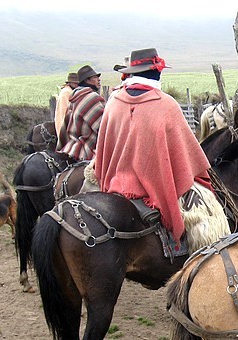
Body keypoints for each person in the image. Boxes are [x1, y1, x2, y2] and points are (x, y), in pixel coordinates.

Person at [94, 48, 218, 254]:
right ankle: (198, 255)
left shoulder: (113, 101)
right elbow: (186, 155)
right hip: (151, 190)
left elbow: (103, 151)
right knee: (210, 218)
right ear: (157, 72)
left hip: (115, 183)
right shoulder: (166, 105)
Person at [56, 65, 105, 162]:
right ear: (87, 80)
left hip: (70, 148)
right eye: (95, 77)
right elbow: (103, 128)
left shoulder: (75, 97)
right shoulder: (91, 98)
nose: (98, 79)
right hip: (87, 150)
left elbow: (65, 126)